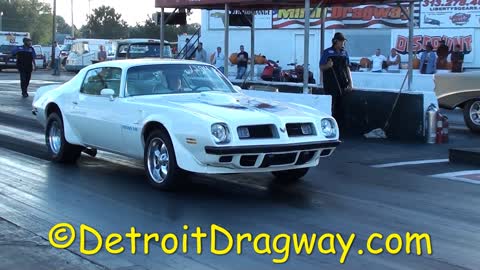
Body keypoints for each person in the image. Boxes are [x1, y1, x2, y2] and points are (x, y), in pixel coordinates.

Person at [319, 32, 352, 129]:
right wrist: (328, 66)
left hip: (343, 84)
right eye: (341, 41)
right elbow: (321, 67)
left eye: (344, 41)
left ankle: (341, 128)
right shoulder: (327, 52)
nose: (343, 43)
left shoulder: (344, 53)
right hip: (330, 84)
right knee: (331, 106)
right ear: (335, 41)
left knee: (342, 107)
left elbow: (347, 68)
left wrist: (350, 82)